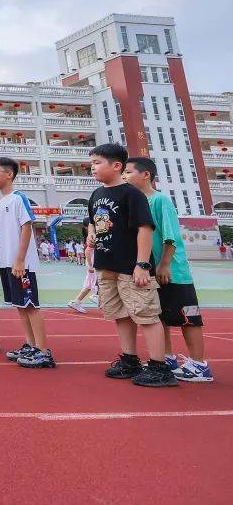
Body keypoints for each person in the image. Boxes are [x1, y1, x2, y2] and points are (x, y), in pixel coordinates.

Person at [86, 143, 174, 388]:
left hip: (131, 266)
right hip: (107, 265)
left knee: (145, 314)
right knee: (120, 314)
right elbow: (93, 221)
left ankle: (159, 366)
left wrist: (142, 264)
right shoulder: (96, 194)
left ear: (116, 166)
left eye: (97, 163)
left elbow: (144, 229)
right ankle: (129, 359)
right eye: (92, 163)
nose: (92, 167)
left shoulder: (131, 194)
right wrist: (91, 233)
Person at [125, 157, 213, 382]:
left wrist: (164, 264)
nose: (124, 176)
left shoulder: (160, 200)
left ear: (146, 175)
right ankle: (166, 358)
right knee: (159, 316)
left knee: (188, 317)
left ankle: (198, 365)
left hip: (174, 272)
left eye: (128, 172)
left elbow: (170, 236)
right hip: (151, 272)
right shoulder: (137, 203)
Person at [0, 157, 54, 368]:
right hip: (7, 263)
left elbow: (27, 227)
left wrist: (19, 259)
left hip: (21, 264)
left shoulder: (18, 198)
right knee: (19, 305)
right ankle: (31, 344)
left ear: (9, 174)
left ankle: (43, 352)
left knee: (31, 305)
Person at [67, 238, 99, 312]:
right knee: (96, 282)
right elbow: (87, 251)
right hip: (94, 266)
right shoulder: (94, 238)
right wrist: (90, 265)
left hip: (95, 265)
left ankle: (76, 302)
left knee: (88, 285)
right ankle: (96, 295)